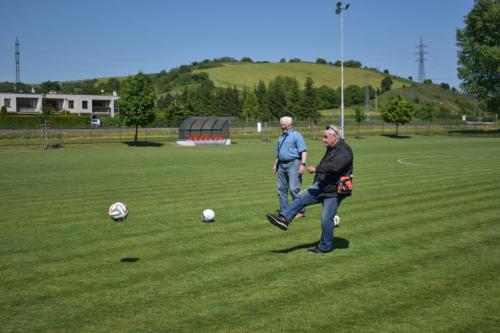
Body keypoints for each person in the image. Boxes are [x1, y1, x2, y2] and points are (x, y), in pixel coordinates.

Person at [266, 124, 353, 253]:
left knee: (326, 220)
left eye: (325, 137)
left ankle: (325, 247)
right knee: (301, 197)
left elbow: (335, 166)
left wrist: (316, 169)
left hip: (334, 191)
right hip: (321, 186)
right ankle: (284, 219)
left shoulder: (344, 150)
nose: (323, 139)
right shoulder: (332, 147)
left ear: (335, 137)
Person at [272, 116, 308, 217]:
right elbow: (279, 153)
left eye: (283, 124)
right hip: (281, 165)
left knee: (293, 188)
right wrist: (276, 164)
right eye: (281, 123)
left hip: (294, 164)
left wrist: (303, 164)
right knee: (281, 189)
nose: (281, 125)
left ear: (290, 125)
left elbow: (303, 151)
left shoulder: (297, 136)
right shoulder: (281, 137)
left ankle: (300, 211)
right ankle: (284, 211)